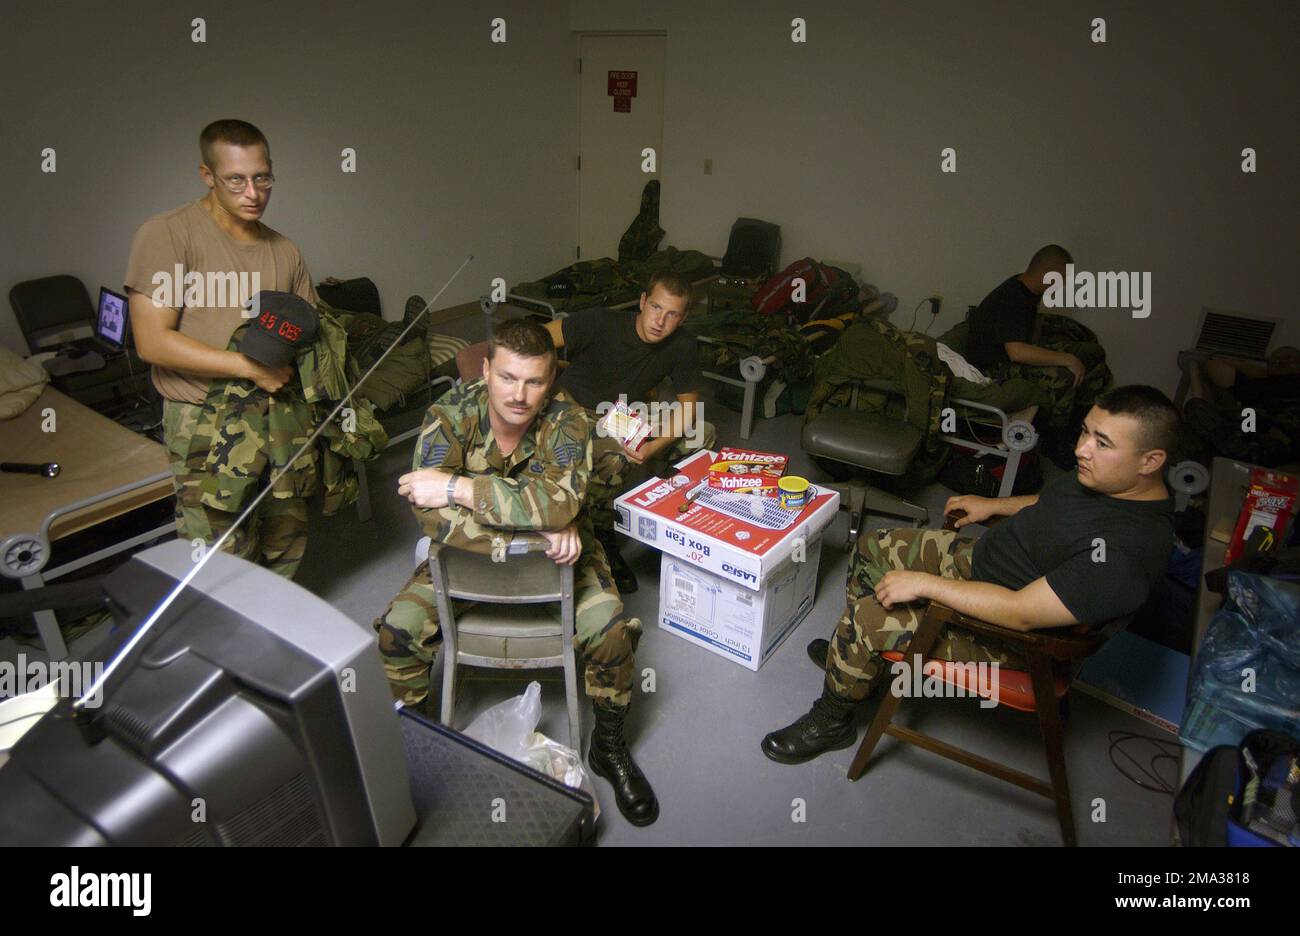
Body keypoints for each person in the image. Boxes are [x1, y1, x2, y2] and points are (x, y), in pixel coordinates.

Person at [762, 385, 1178, 764]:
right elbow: (1053, 501)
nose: (1082, 450)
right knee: (874, 547)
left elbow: (1022, 613)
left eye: (1101, 443)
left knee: (869, 617)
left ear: (1151, 461)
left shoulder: (1126, 552)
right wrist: (995, 506)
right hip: (987, 565)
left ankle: (833, 721)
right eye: (1085, 432)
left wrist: (927, 584)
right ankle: (859, 663)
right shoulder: (1108, 478)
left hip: (1011, 628)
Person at [373, 318, 659, 826]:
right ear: (484, 370)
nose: (519, 395)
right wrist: (541, 527)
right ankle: (415, 740)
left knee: (613, 634)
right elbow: (428, 516)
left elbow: (560, 501)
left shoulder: (569, 420)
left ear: (551, 380)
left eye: (534, 381)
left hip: (558, 563)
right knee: (398, 632)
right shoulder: (448, 414)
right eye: (507, 377)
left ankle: (607, 748)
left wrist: (460, 490)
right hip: (469, 562)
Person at [124, 119, 318, 578]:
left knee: (284, 532)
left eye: (262, 178)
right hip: (203, 420)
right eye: (236, 179)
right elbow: (152, 341)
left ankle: (278, 637)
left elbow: (307, 328)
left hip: (276, 413)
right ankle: (231, 646)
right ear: (208, 176)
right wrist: (249, 368)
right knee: (217, 547)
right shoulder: (167, 234)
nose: (252, 192)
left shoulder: (284, 250)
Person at [544, 271, 716, 593]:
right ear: (642, 302)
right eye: (655, 307)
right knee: (617, 455)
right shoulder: (600, 321)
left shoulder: (682, 345)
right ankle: (601, 538)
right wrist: (547, 381)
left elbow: (688, 409)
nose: (659, 321)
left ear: (683, 318)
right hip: (572, 407)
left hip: (620, 411)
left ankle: (673, 524)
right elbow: (536, 341)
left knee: (701, 434)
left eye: (672, 314)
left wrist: (653, 448)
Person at [966, 244, 1109, 467]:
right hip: (993, 366)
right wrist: (1068, 359)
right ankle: (1054, 439)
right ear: (1048, 273)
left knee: (1092, 355)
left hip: (1011, 354)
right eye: (1061, 278)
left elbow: (1029, 335)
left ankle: (1079, 426)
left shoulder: (1028, 291)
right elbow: (1016, 352)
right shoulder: (1011, 297)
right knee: (1064, 374)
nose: (1063, 284)